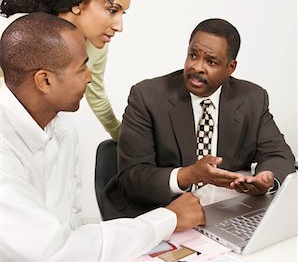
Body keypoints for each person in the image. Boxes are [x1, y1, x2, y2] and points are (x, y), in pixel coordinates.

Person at [0, 13, 205, 262]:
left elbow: (73, 221)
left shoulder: (61, 123)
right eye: (82, 69)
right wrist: (167, 219)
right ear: (44, 80)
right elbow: (57, 256)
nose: (91, 77)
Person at [100, 18, 296, 220]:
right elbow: (132, 177)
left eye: (211, 61)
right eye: (193, 55)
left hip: (223, 212)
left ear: (231, 67)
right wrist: (190, 175)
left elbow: (279, 155)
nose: (197, 67)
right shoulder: (147, 96)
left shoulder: (252, 99)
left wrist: (267, 181)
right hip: (160, 214)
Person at [0, 0, 132, 141]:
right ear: (78, 3)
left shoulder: (96, 46)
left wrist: (122, 136)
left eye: (123, 14)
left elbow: (96, 93)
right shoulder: (18, 31)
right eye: (112, 10)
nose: (119, 26)